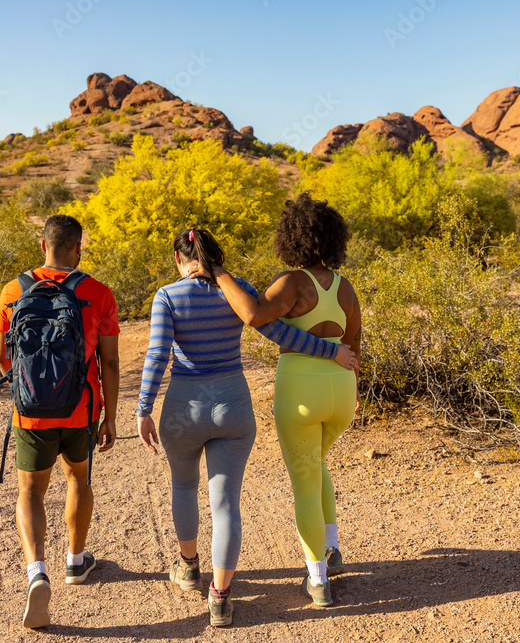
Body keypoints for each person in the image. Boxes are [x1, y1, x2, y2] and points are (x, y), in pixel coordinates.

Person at [136, 226, 356, 627]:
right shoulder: (236, 291)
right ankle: (220, 597)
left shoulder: (167, 296)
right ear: (215, 257)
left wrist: (143, 408)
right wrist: (332, 351)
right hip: (233, 406)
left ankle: (188, 569)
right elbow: (279, 332)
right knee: (226, 504)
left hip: (184, 407)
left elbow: (157, 353)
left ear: (177, 258)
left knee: (184, 485)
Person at [200, 194, 360, 607]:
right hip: (342, 392)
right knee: (318, 462)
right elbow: (354, 349)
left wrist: (217, 271)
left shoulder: (292, 282)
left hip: (300, 390)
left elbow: (253, 314)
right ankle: (332, 546)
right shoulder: (346, 289)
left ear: (292, 238)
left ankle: (318, 581)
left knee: (304, 480)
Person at [0, 214, 120, 629]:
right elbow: (111, 361)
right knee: (77, 481)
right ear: (78, 249)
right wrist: (110, 418)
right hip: (81, 408)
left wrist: (30, 388)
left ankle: (36, 572)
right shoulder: (98, 293)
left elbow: (0, 358)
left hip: (30, 412)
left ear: (41, 245)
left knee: (30, 491)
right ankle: (75, 562)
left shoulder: (13, 291)